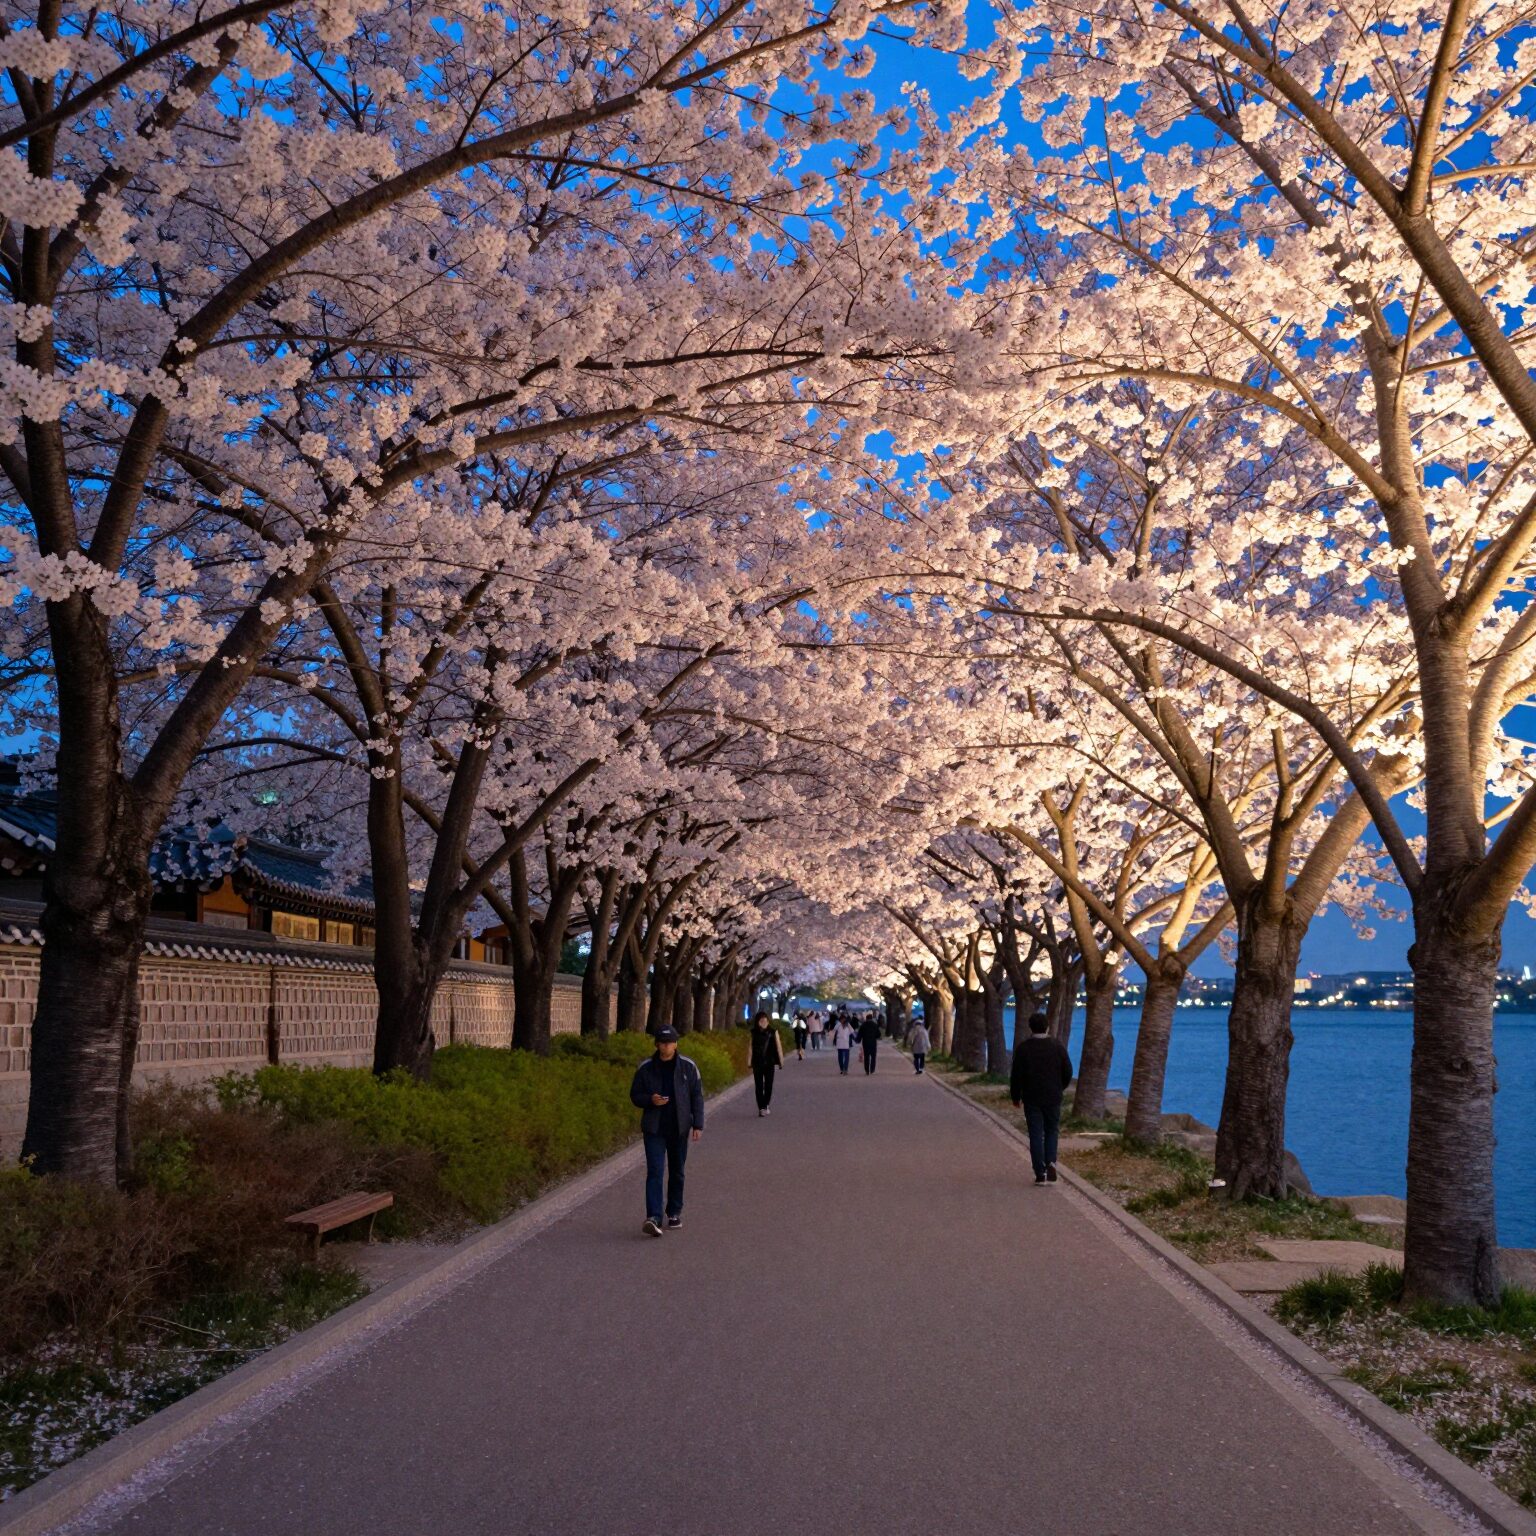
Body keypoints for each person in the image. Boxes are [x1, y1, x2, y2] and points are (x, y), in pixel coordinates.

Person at [629, 1025, 704, 1235]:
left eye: (669, 1042)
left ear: (676, 1044)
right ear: (656, 1044)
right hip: (654, 1127)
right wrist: (650, 1100)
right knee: (655, 1170)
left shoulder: (688, 1067)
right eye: (662, 1042)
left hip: (679, 1127)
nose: (666, 1046)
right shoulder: (646, 1068)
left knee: (677, 1171)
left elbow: (696, 1096)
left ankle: (674, 1211)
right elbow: (635, 1095)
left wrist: (698, 1124)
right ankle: (653, 1216)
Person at [1008, 1011, 1074, 1186]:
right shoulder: (1057, 1047)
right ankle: (1051, 1161)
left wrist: (1016, 1096)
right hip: (1053, 1096)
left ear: (1030, 1027)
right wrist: (1061, 1087)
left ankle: (1040, 1173)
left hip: (1031, 1097)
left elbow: (1016, 1075)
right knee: (1052, 1130)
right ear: (1047, 1027)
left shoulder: (1023, 1049)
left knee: (1036, 1134)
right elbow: (1068, 1070)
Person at [750, 1010, 785, 1115]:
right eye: (761, 1021)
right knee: (759, 1085)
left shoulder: (773, 1032)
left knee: (769, 1084)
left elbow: (778, 1047)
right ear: (757, 1022)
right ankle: (761, 1107)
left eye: (765, 1020)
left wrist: (780, 1061)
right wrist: (749, 1062)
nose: (764, 1022)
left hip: (770, 1062)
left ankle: (765, 1104)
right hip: (757, 1063)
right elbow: (750, 1049)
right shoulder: (753, 1033)